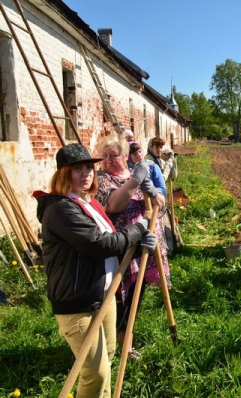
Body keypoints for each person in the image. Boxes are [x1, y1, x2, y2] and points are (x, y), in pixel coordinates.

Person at [33, 143, 155, 398]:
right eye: (77, 169)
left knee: (106, 359)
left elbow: (109, 241)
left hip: (104, 295)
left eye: (89, 167)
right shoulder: (61, 208)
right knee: (95, 373)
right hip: (78, 301)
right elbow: (98, 245)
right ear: (63, 174)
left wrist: (140, 240)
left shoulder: (86, 202)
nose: (86, 173)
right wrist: (138, 228)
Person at [95, 135, 169, 357]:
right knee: (118, 295)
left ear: (125, 156)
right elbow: (113, 205)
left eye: (114, 155)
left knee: (137, 294)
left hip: (145, 245)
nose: (108, 160)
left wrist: (153, 192)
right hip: (120, 246)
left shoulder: (136, 176)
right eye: (104, 156)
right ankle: (115, 344)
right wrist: (135, 180)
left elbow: (161, 207)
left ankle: (126, 341)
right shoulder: (101, 179)